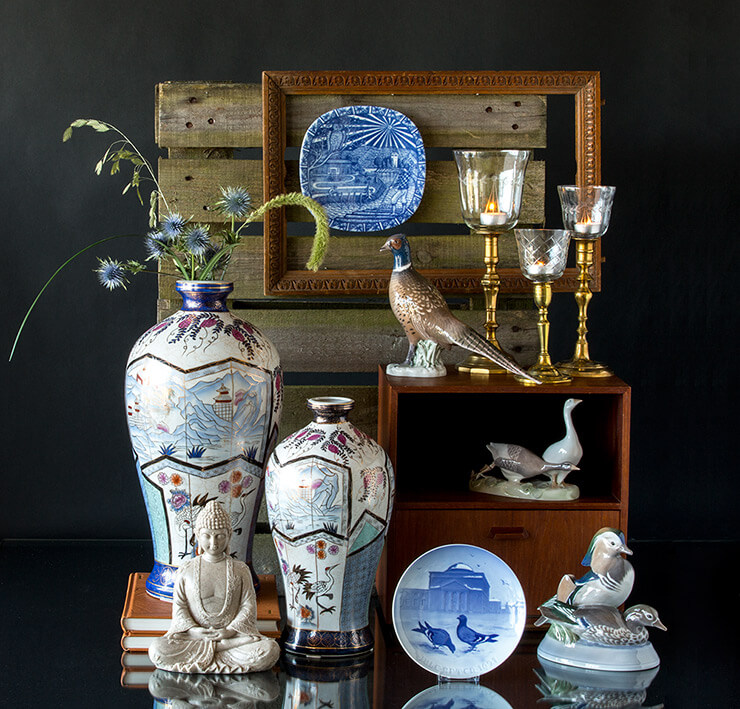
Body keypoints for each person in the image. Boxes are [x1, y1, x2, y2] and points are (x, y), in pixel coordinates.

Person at [149, 501, 280, 674]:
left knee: (270, 649)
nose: (213, 542)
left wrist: (229, 632)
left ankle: (219, 649)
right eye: (207, 535)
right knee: (157, 649)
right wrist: (195, 632)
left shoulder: (240, 569)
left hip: (232, 637)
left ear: (229, 535)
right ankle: (220, 650)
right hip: (195, 639)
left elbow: (248, 607)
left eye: (219, 535)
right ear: (197, 534)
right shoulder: (186, 569)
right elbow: (180, 609)